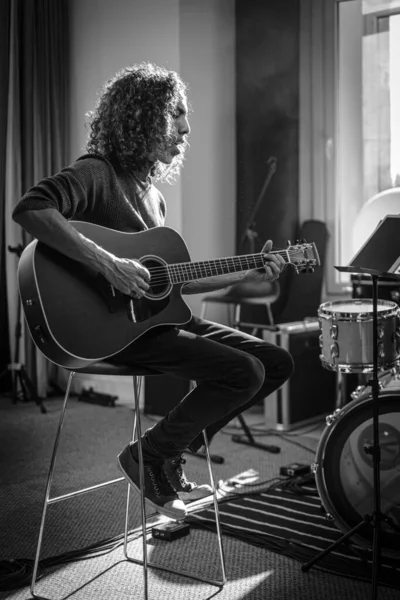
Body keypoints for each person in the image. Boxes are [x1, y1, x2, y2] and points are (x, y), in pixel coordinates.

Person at [13, 62, 294, 521]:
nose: (186, 128)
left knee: (275, 363)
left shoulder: (153, 196)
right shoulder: (96, 173)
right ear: (141, 117)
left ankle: (166, 453)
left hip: (155, 323)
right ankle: (148, 455)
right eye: (175, 114)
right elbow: (31, 209)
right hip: (110, 331)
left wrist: (246, 272)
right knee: (242, 372)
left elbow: (169, 281)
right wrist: (109, 264)